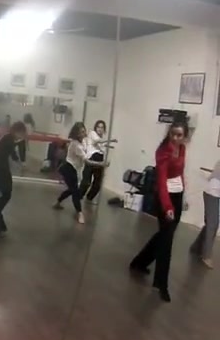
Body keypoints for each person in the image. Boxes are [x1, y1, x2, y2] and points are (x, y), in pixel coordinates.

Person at [130, 120, 187, 302]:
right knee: (166, 241)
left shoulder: (182, 149)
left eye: (179, 135)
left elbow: (180, 174)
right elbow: (162, 182)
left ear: (184, 136)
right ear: (169, 133)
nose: (175, 138)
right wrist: (168, 207)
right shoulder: (163, 152)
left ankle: (139, 262)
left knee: (164, 235)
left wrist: (184, 197)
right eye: (173, 134)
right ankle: (161, 284)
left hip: (178, 196)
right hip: (164, 197)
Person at [53, 122, 106, 224]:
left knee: (71, 190)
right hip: (68, 169)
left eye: (83, 131)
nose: (83, 133)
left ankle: (58, 202)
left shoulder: (83, 142)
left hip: (73, 169)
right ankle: (80, 213)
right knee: (75, 192)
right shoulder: (76, 145)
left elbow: (90, 146)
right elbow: (87, 161)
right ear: (76, 133)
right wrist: (101, 164)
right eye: (80, 132)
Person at [0, 121, 28, 238]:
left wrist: (20, 163)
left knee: (6, 194)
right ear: (16, 131)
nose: (22, 136)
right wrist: (19, 164)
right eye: (21, 133)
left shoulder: (10, 139)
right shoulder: (7, 139)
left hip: (2, 169)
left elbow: (12, 153)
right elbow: (3, 154)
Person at [78, 120, 117, 204]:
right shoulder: (92, 133)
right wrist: (111, 140)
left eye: (102, 127)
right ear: (95, 128)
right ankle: (79, 196)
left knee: (98, 183)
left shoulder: (101, 139)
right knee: (86, 181)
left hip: (99, 158)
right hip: (91, 158)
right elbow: (97, 141)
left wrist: (108, 146)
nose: (100, 129)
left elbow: (100, 144)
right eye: (98, 127)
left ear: (104, 129)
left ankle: (89, 198)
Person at [191, 160, 220, 269]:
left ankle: (196, 247)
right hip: (211, 194)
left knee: (210, 224)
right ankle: (206, 256)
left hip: (213, 193)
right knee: (213, 224)